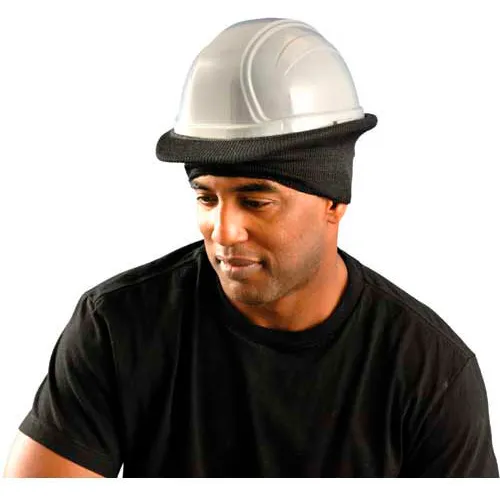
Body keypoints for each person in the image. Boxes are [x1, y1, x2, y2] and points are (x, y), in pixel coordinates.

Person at [4, 17, 498, 478]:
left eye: (256, 201)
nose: (224, 231)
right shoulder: (117, 327)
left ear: (333, 202)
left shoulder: (429, 371)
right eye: (207, 197)